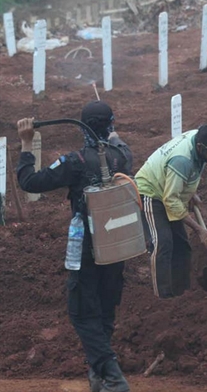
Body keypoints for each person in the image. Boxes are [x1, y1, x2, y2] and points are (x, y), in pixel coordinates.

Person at [16, 101, 132, 392]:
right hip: (116, 246)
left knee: (81, 311)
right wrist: (112, 133)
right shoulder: (123, 156)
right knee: (105, 311)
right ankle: (100, 379)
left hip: (86, 250)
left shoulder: (75, 162)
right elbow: (118, 142)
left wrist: (27, 144)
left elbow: (29, 181)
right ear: (109, 125)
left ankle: (113, 377)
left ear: (83, 126)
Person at [135, 124, 207, 299]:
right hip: (150, 192)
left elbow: (186, 173)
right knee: (162, 242)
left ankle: (182, 295)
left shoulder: (199, 137)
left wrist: (189, 191)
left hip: (168, 187)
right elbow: (170, 199)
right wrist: (199, 230)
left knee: (182, 245)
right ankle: (163, 298)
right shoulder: (182, 160)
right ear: (200, 148)